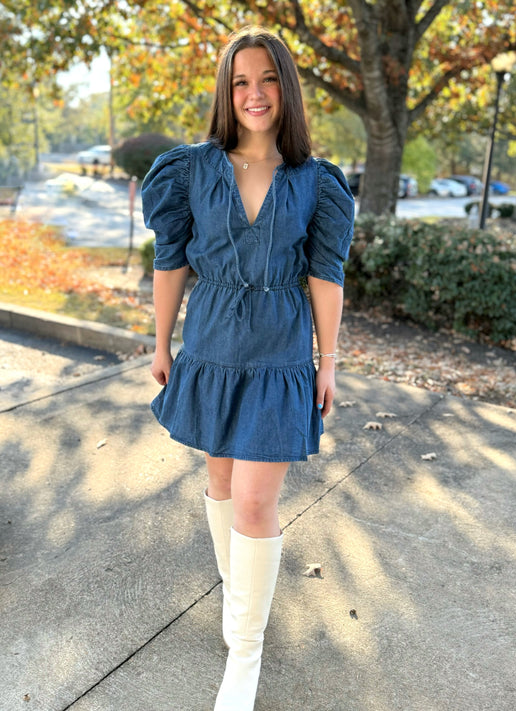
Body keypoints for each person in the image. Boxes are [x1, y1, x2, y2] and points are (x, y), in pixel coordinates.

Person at [142, 26, 354, 711]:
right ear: (225, 92)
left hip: (279, 352)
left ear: (284, 89)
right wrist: (160, 343)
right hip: (210, 343)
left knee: (258, 503)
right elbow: (170, 261)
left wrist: (328, 362)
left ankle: (245, 653)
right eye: (240, 81)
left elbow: (325, 275)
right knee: (221, 479)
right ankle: (241, 605)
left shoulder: (315, 182)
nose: (253, 93)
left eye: (267, 80)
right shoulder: (190, 170)